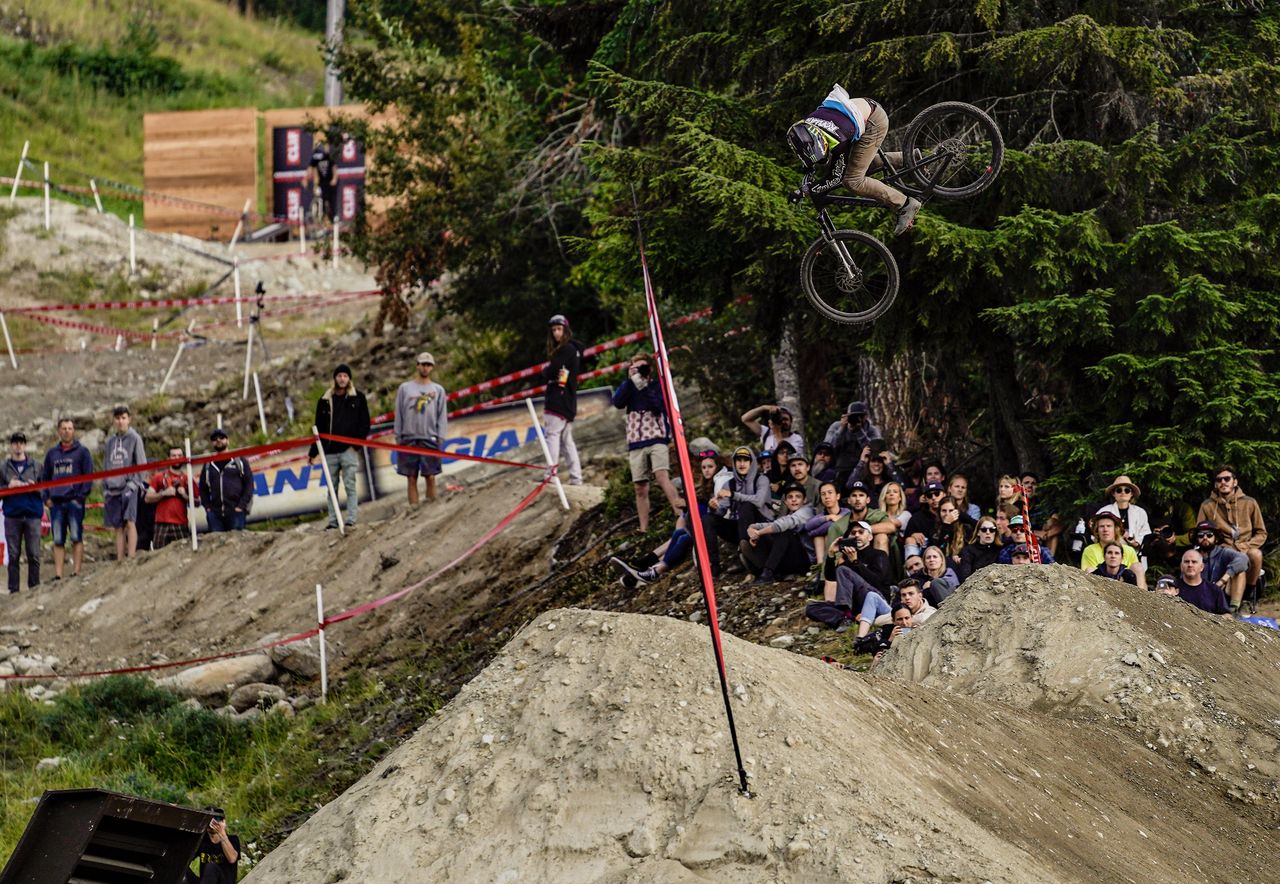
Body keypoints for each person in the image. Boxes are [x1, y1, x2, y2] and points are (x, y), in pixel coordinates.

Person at [787, 84, 923, 235]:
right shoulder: (806, 127)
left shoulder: (839, 139)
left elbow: (835, 177)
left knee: (852, 181)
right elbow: (807, 152)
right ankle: (909, 159)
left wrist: (807, 190)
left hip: (873, 122)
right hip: (860, 110)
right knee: (856, 164)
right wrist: (808, 173)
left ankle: (905, 204)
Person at [610, 445, 727, 587]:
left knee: (683, 536)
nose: (706, 470)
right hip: (704, 525)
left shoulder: (721, 482)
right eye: (704, 467)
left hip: (717, 526)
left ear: (717, 466)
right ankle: (645, 568)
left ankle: (653, 570)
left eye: (710, 467)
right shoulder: (708, 485)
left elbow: (716, 509)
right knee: (679, 533)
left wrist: (690, 505)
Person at [611, 354, 682, 531]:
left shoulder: (657, 386)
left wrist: (645, 388)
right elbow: (617, 402)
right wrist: (630, 381)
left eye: (642, 367)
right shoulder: (629, 386)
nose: (640, 371)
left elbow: (659, 407)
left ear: (649, 369)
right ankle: (644, 529)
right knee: (640, 487)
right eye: (636, 368)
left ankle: (681, 515)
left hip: (657, 437)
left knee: (661, 476)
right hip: (636, 440)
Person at [308, 363, 372, 529]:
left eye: (345, 376)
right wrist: (313, 451)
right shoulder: (324, 400)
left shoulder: (358, 397)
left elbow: (365, 423)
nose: (342, 379)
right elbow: (318, 428)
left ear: (349, 378)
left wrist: (356, 445)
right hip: (329, 451)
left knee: (350, 484)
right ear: (335, 378)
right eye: (339, 376)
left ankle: (351, 519)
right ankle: (333, 521)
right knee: (331, 487)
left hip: (349, 450)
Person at [1196, 465, 1266, 608]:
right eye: (1219, 480)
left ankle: (1249, 595)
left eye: (1227, 479)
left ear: (1235, 482)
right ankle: (1230, 605)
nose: (1223, 482)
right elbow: (1200, 531)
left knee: (1256, 554)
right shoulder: (1207, 505)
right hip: (1221, 549)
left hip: (1246, 547)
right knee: (1236, 563)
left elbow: (1261, 533)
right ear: (1216, 484)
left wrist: (1246, 546)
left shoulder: (1249, 502)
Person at [701, 446, 773, 577]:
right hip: (738, 526)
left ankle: (744, 552)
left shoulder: (761, 479)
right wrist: (713, 507)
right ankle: (713, 565)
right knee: (708, 519)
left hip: (761, 525)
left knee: (746, 506)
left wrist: (733, 495)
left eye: (745, 460)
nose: (741, 464)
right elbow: (721, 511)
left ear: (751, 462)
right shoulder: (729, 484)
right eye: (738, 460)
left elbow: (758, 501)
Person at [40, 418, 94, 580]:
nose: (67, 431)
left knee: (76, 537)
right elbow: (44, 478)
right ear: (59, 431)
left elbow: (88, 476)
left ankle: (76, 572)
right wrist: (46, 498)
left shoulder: (82, 452)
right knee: (58, 539)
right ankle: (58, 575)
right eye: (64, 428)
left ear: (74, 430)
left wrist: (81, 497)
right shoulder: (52, 454)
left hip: (74, 501)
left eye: (70, 428)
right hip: (56, 502)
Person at [394, 352, 449, 505]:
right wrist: (398, 436)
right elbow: (399, 413)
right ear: (417, 365)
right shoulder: (405, 388)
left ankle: (431, 508)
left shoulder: (438, 390)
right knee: (411, 477)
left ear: (432, 367)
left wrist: (440, 436)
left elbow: (442, 415)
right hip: (409, 438)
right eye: (423, 364)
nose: (425, 368)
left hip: (429, 437)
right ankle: (414, 510)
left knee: (430, 476)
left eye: (428, 365)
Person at [743, 483, 816, 583]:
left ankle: (767, 573)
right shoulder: (790, 514)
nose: (794, 500)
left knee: (783, 533)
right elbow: (774, 524)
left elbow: (781, 525)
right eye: (790, 497)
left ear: (804, 500)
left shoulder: (807, 511)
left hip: (806, 561)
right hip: (791, 559)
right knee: (769, 534)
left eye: (798, 497)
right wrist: (752, 527)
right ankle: (764, 570)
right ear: (785, 502)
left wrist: (758, 533)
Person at [542, 314, 583, 486]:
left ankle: (550, 475)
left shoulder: (566, 350)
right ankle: (576, 477)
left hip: (558, 400)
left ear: (566, 330)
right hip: (568, 400)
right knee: (567, 441)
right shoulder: (573, 350)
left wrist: (547, 371)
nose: (556, 333)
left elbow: (551, 372)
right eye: (553, 330)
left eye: (559, 329)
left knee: (552, 436)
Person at [103, 405, 147, 560]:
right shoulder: (110, 442)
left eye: (123, 418)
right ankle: (120, 559)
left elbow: (142, 465)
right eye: (117, 418)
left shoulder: (135, 438)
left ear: (129, 419)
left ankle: (131, 557)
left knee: (130, 521)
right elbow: (106, 466)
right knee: (118, 526)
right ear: (114, 420)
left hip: (129, 487)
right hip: (113, 488)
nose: (120, 421)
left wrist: (133, 485)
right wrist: (105, 487)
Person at [2, 433, 41, 593]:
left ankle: (35, 589)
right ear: (11, 445)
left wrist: (34, 488)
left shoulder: (36, 466)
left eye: (21, 442)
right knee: (13, 555)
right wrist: (8, 487)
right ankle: (13, 591)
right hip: (12, 515)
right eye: (15, 442)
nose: (18, 445)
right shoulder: (3, 468)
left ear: (25, 445)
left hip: (32, 514)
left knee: (34, 554)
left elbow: (47, 489)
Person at [198, 429, 253, 532]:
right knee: (216, 541)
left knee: (236, 540)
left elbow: (249, 485)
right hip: (215, 515)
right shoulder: (208, 464)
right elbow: (202, 488)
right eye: (215, 439)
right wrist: (208, 508)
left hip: (236, 512)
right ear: (212, 443)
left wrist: (241, 506)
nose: (218, 440)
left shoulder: (239, 461)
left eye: (221, 437)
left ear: (227, 440)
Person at [830, 520, 893, 609]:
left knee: (842, 569)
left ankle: (844, 611)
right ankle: (846, 613)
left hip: (878, 600)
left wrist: (856, 562)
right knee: (814, 606)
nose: (856, 535)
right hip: (858, 603)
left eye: (861, 532)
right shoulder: (849, 558)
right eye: (853, 533)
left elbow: (877, 582)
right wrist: (831, 554)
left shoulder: (879, 554)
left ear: (870, 537)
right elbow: (831, 577)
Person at [853, 578, 936, 643]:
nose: (907, 598)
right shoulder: (900, 609)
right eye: (904, 595)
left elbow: (922, 619)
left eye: (911, 594)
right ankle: (860, 638)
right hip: (894, 612)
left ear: (920, 596)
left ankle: (867, 620)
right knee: (872, 595)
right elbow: (879, 621)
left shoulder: (930, 611)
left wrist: (898, 618)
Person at [1192, 520, 1248, 613]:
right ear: (1196, 539)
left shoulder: (1223, 552)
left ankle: (1234, 609)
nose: (1205, 538)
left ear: (1216, 538)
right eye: (1201, 535)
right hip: (1200, 596)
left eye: (1209, 535)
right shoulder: (1192, 555)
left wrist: (1223, 580)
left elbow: (1243, 559)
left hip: (1222, 594)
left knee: (1240, 572)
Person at [1157, 549, 1231, 618]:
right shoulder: (1173, 587)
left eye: (1194, 562)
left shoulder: (1214, 590)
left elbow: (1227, 615)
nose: (1190, 565)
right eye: (1186, 561)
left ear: (1202, 567)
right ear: (1181, 566)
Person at [822, 401, 880, 487]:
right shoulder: (837, 426)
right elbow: (827, 447)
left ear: (866, 416)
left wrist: (860, 432)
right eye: (853, 416)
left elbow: (875, 450)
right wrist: (841, 429)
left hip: (864, 469)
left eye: (860, 416)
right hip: (839, 469)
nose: (857, 419)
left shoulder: (872, 430)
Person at [145, 446, 193, 550]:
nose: (176, 458)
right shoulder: (159, 477)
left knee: (183, 553)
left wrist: (184, 495)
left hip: (181, 523)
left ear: (183, 458)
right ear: (168, 458)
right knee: (159, 555)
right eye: (173, 456)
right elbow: (147, 498)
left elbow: (197, 501)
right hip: (161, 523)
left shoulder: (187, 478)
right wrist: (163, 493)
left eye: (179, 456)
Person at [1078, 509, 1142, 586]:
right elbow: (1088, 575)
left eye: (1109, 526)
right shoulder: (1090, 550)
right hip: (1100, 586)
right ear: (1097, 530)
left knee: (1137, 567)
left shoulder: (1129, 550)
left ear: (1115, 529)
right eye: (1102, 526)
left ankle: (1142, 593)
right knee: (1089, 570)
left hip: (1127, 586)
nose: (1105, 529)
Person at [184, 807, 239, 884]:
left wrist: (222, 833)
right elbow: (185, 859)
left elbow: (232, 859)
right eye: (209, 820)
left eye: (216, 819)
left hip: (224, 882)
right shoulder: (202, 842)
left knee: (211, 867)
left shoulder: (232, 839)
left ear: (223, 821)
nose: (212, 823)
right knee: (180, 870)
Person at [1098, 475, 1151, 549]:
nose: (1123, 493)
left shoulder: (1140, 512)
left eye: (1127, 490)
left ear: (1131, 494)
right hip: (1109, 552)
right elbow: (1096, 534)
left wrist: (1136, 543)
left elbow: (1146, 534)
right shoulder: (1104, 511)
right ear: (1113, 494)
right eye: (1119, 490)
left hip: (1135, 552)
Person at [805, 480, 848, 562]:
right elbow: (807, 525)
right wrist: (829, 517)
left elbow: (831, 526)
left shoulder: (846, 512)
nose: (827, 496)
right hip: (827, 551)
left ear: (838, 496)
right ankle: (821, 565)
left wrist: (812, 533)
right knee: (819, 537)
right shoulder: (822, 516)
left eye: (830, 492)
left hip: (844, 549)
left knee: (824, 534)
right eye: (823, 494)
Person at [741, 404, 805, 455]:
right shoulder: (766, 433)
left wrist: (777, 433)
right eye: (780, 419)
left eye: (785, 419)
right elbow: (745, 419)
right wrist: (764, 407)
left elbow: (788, 456)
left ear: (791, 422)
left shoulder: (796, 438)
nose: (782, 422)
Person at [956, 517, 1002, 582]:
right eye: (984, 530)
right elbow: (964, 578)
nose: (988, 532)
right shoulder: (968, 550)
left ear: (995, 532)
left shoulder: (1000, 548)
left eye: (992, 530)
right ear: (978, 532)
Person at [309, 133, 337, 224]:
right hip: (322, 182)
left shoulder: (328, 157)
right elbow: (314, 171)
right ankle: (322, 216)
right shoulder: (315, 158)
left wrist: (334, 178)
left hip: (329, 181)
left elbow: (334, 168)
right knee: (322, 198)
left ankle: (331, 218)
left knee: (330, 200)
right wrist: (315, 184)